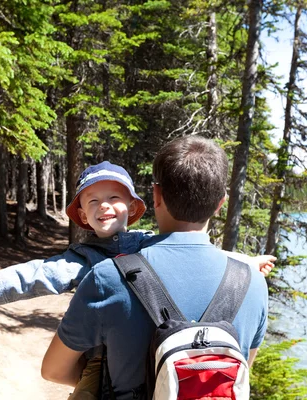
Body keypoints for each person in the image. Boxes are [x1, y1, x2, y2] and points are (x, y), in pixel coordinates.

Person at [0, 160, 274, 399]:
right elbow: (39, 273)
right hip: (99, 364)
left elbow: (192, 251)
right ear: (82, 214)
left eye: (113, 198)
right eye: (93, 201)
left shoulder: (146, 242)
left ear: (133, 206)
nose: (104, 207)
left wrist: (244, 261)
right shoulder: (82, 259)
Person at [41, 136, 269, 399]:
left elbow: (54, 371)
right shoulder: (253, 282)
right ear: (221, 203)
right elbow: (241, 373)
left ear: (156, 196)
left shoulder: (108, 276)